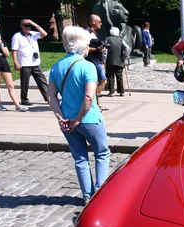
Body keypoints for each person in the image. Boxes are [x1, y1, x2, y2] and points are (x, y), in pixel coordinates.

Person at [47, 26, 110, 205]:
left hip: (67, 120)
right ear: (83, 45)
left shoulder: (56, 66)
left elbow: (51, 96)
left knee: (80, 158)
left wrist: (61, 118)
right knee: (102, 153)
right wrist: (79, 118)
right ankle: (100, 193)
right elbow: (89, 96)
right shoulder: (88, 66)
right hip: (88, 119)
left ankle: (87, 196)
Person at [11, 18, 49, 106]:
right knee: (25, 83)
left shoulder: (33, 34)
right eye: (26, 25)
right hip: (24, 63)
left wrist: (34, 23)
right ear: (21, 26)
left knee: (42, 80)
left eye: (29, 26)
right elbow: (14, 50)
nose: (28, 27)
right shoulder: (17, 36)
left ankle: (48, 97)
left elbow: (45, 34)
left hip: (35, 62)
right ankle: (24, 99)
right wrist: (15, 62)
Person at [0, 25, 28, 111]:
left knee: (10, 85)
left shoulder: (1, 41)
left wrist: (0, 44)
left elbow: (7, 54)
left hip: (3, 63)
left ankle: (17, 105)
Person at [85, 14, 108, 111]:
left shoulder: (94, 32)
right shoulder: (86, 32)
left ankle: (97, 105)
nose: (101, 23)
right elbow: (84, 48)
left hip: (97, 60)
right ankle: (92, 102)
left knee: (97, 82)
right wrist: (97, 49)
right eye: (100, 21)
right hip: (92, 60)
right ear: (93, 22)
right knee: (103, 81)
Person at [104, 27, 126, 97]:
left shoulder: (108, 39)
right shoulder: (120, 40)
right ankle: (121, 91)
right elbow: (127, 48)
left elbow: (105, 50)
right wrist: (125, 56)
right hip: (120, 61)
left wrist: (103, 59)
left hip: (110, 61)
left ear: (111, 32)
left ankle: (111, 92)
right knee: (119, 76)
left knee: (110, 76)